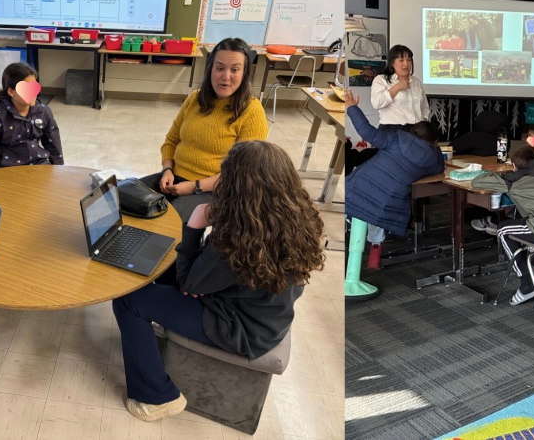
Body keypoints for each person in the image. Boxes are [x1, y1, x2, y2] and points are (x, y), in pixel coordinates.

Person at [113, 140, 324, 422]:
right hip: (264, 312)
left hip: (241, 328)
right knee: (160, 271)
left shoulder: (240, 236)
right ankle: (151, 340)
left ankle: (157, 398)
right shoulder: (294, 215)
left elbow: (189, 283)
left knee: (128, 300)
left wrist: (196, 225)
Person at [139, 37, 269, 222]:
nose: (226, 76)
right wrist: (167, 170)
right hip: (173, 177)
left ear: (245, 73)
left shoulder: (252, 111)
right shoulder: (195, 98)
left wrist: (194, 187)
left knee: (166, 222)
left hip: (212, 190)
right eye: (219, 68)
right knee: (123, 196)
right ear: (210, 69)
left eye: (234, 70)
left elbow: (241, 173)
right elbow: (171, 141)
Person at [344, 90, 444, 270]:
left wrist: (351, 108)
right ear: (433, 142)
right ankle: (375, 251)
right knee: (377, 213)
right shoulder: (428, 159)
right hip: (388, 201)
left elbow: (366, 130)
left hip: (359, 186)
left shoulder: (395, 138)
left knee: (353, 204)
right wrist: (435, 150)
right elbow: (439, 168)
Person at [472, 147, 534, 305]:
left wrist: (504, 174)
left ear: (515, 166)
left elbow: (477, 182)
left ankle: (527, 284)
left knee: (503, 229)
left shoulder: (515, 181)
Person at [349, 45, 430, 176]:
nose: (406, 64)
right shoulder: (381, 80)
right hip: (392, 131)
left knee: (415, 170)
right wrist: (397, 87)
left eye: (409, 60)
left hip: (416, 132)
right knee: (392, 170)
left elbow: (424, 106)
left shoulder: (416, 82)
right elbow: (377, 103)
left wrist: (424, 122)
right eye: (401, 60)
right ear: (392, 62)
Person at [0, 62, 64, 171]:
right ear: (11, 92)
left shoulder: (44, 111)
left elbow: (54, 146)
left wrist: (59, 172)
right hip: (7, 169)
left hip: (39, 165)